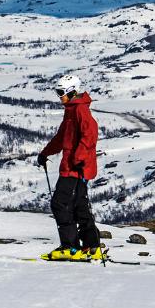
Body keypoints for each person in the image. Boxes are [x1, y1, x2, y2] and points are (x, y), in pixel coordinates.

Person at [36, 75, 103, 261]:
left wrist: (78, 158)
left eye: (61, 93)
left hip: (75, 167)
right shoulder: (71, 110)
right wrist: (45, 153)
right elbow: (61, 138)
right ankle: (91, 247)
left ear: (72, 91)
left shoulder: (80, 109)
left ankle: (70, 247)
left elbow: (90, 135)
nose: (59, 96)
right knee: (79, 205)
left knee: (60, 203)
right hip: (73, 166)